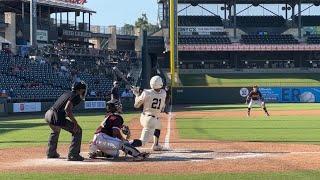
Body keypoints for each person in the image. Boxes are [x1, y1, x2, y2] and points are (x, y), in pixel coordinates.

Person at [44, 81, 87, 161]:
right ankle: (73, 155)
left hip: (48, 114)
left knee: (55, 131)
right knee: (78, 130)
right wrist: (75, 122)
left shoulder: (67, 93)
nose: (84, 91)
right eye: (83, 89)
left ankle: (51, 153)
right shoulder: (76, 96)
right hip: (56, 116)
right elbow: (67, 109)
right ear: (80, 90)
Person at [131, 76, 167, 151]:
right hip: (150, 121)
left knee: (158, 126)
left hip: (146, 118)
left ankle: (156, 145)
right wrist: (140, 92)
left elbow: (136, 105)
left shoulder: (146, 92)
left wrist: (137, 94)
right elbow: (152, 93)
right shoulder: (164, 93)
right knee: (142, 142)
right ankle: (126, 144)